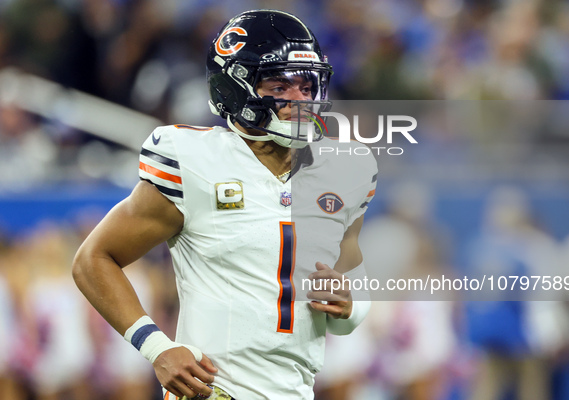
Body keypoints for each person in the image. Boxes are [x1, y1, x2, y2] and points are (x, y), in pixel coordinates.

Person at [72, 9, 377, 400]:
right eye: (280, 87)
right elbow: (93, 259)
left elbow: (352, 282)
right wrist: (156, 347)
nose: (299, 101)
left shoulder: (345, 171)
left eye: (306, 85)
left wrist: (350, 303)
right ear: (234, 87)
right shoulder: (194, 159)